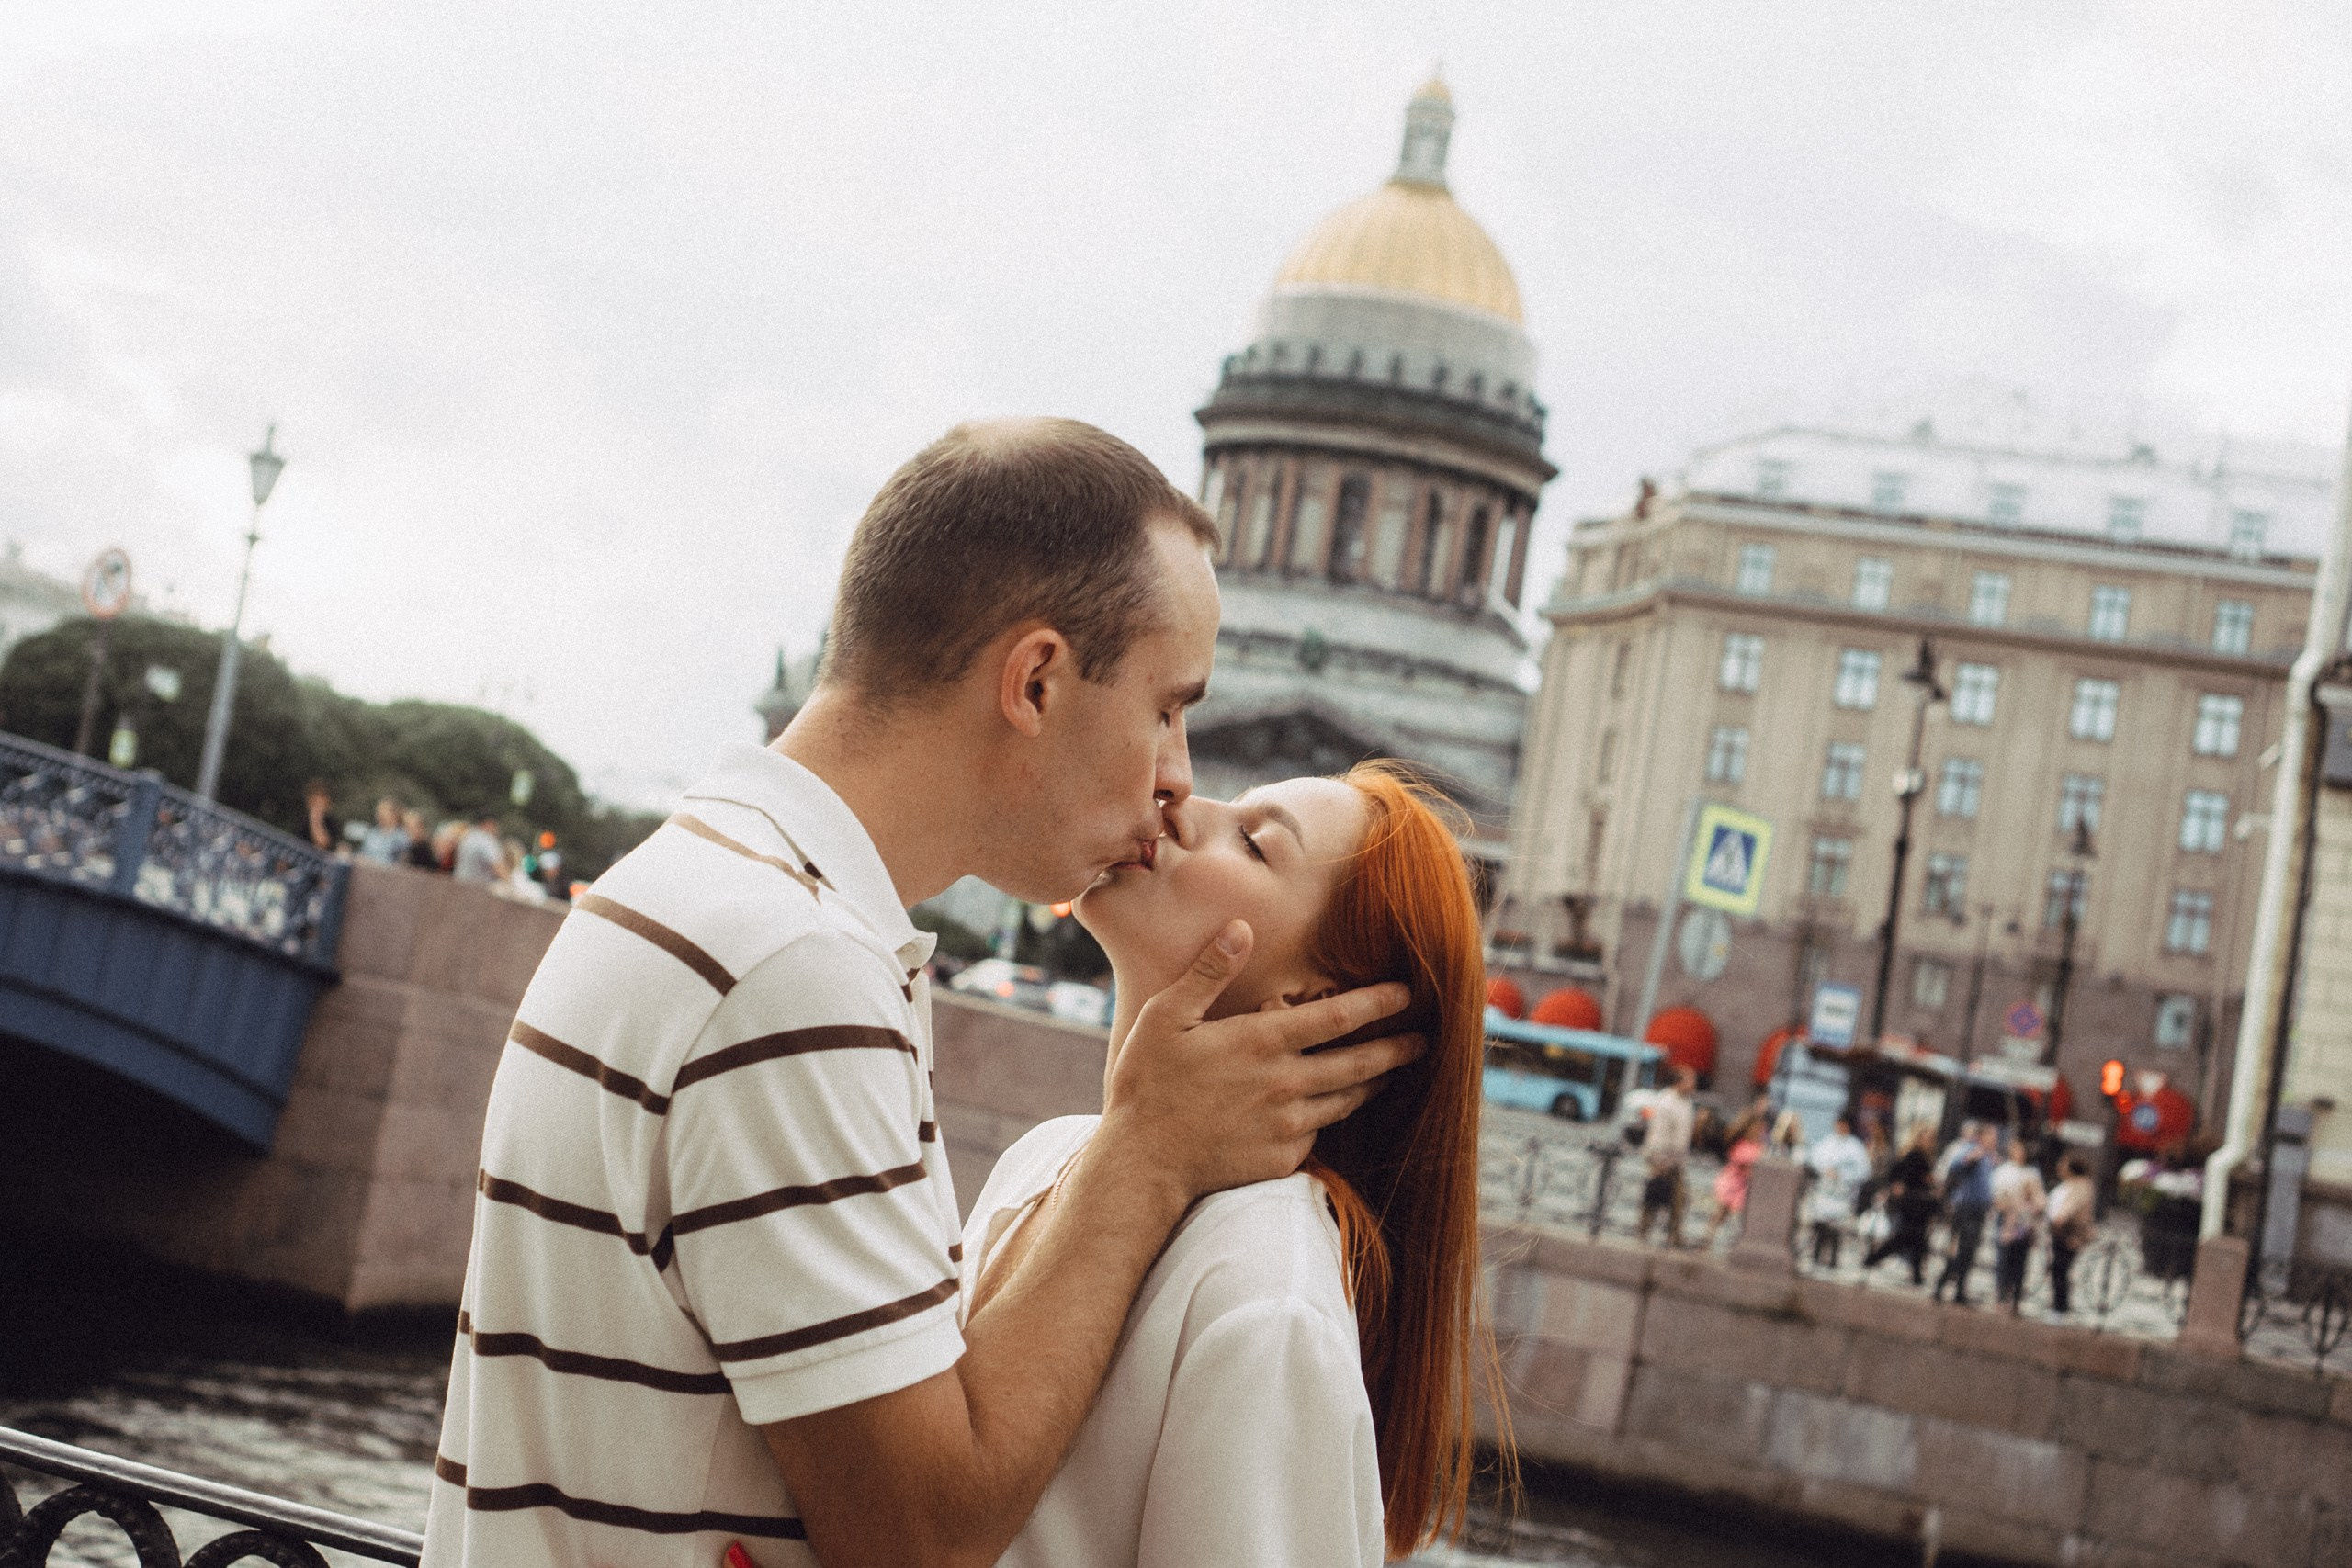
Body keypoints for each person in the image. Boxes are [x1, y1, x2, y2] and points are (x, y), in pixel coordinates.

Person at [420, 419, 1417, 1568]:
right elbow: (918, 1541)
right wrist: (1147, 1154)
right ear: (1035, 682)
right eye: (1164, 708)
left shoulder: (700, 886)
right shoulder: (791, 972)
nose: (1178, 775)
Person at [959, 762, 1510, 1565]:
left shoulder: (1267, 1290)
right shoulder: (1044, 1157)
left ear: (1311, 1001)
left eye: (1254, 842)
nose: (1182, 803)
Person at [1863, 1123, 1941, 1285]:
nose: (1929, 1142)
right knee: (1906, 1238)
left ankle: (1916, 1275)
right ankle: (1873, 1259)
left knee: (1916, 1239)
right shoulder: (1915, 1156)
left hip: (1917, 1205)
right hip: (1913, 1204)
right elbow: (1900, 1174)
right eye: (1926, 1138)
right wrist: (1900, 1186)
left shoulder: (1923, 1157)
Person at [1934, 1122, 1999, 1306]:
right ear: (1982, 1136)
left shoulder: (1988, 1156)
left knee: (1970, 1251)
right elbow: (1954, 1166)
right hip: (1966, 1207)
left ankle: (1960, 1289)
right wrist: (1970, 1159)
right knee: (1961, 1248)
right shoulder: (1971, 1149)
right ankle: (1942, 1284)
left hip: (1979, 1209)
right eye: (1991, 1136)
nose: (1995, 1140)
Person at [1636, 1067, 1697, 1246]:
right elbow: (1658, 1132)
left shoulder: (1686, 1102)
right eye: (1690, 1080)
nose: (1693, 1084)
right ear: (1678, 1082)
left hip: (1677, 1159)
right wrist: (1658, 1159)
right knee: (1656, 1194)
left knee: (1678, 1197)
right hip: (1662, 1158)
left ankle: (1674, 1235)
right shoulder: (1666, 1101)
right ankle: (1644, 1231)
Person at [1806, 1114, 1872, 1269]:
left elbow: (1864, 1171)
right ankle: (1816, 1256)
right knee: (1821, 1225)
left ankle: (1832, 1260)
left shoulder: (1855, 1147)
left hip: (1842, 1193)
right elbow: (1814, 1160)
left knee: (1836, 1228)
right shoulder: (1826, 1142)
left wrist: (1843, 1175)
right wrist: (1825, 1170)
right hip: (1825, 1191)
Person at [1990, 1135, 2047, 1313]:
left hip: (2024, 1221)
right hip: (2007, 1218)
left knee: (2019, 1259)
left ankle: (2015, 1298)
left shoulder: (2032, 1172)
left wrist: (2033, 1205)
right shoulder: (2004, 1170)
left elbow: (2040, 1199)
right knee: (2004, 1257)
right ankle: (2001, 1295)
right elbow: (1995, 1194)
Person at [1703, 1101, 1769, 1248]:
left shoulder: (1757, 1146)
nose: (1759, 1132)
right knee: (1721, 1214)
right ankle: (1710, 1240)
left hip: (1742, 1188)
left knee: (1729, 1216)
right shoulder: (1742, 1145)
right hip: (1732, 1184)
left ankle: (1720, 1241)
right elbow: (1744, 1166)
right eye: (1756, 1128)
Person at [2044, 1152, 2098, 1315]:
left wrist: (2059, 1220)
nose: (2060, 1168)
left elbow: (2069, 1209)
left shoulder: (2081, 1186)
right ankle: (2058, 1305)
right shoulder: (2071, 1184)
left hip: (2070, 1235)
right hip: (2060, 1233)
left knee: (2060, 1269)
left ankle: (2060, 1308)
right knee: (2057, 1269)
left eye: (2063, 1165)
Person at [450, 810, 504, 885]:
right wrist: (511, 884)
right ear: (489, 823)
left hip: (459, 883)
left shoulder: (467, 836)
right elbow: (499, 868)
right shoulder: (487, 840)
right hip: (478, 886)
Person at [357, 796, 410, 864]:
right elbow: (363, 853)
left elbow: (404, 861)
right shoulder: (372, 833)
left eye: (383, 811)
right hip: (366, 868)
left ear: (394, 814)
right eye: (378, 811)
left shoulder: (402, 836)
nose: (379, 814)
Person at [302, 779, 343, 856]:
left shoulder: (331, 822)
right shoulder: (304, 822)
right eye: (314, 801)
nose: (317, 805)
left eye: (320, 801)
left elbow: (322, 844)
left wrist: (315, 820)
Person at [401, 807, 441, 871]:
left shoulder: (431, 848)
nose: (409, 831)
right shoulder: (410, 847)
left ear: (422, 827)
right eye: (407, 827)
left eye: (413, 827)